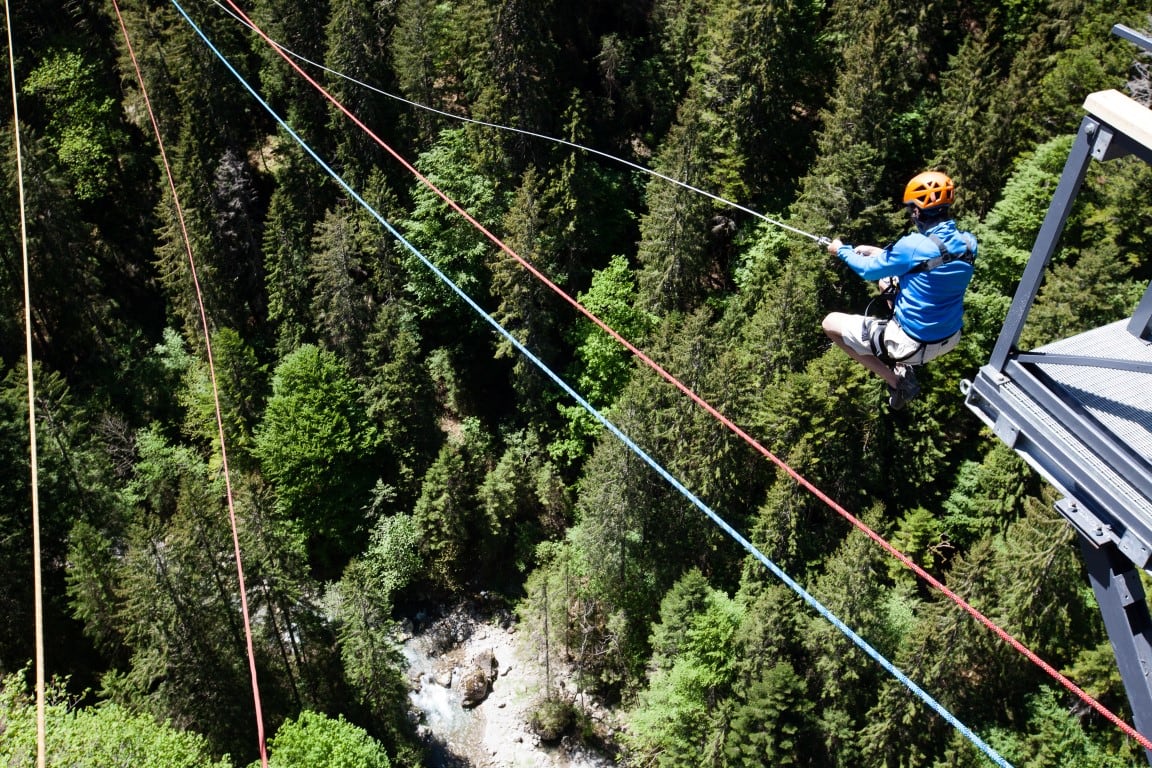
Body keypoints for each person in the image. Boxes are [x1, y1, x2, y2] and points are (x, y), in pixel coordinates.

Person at [822, 171, 977, 410]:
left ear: (916, 211)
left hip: (911, 344)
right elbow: (930, 264)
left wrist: (841, 250)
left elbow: (866, 271)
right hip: (949, 337)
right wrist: (879, 254)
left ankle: (898, 382)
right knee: (885, 282)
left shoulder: (912, 245)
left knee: (830, 324)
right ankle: (904, 364)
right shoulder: (968, 243)